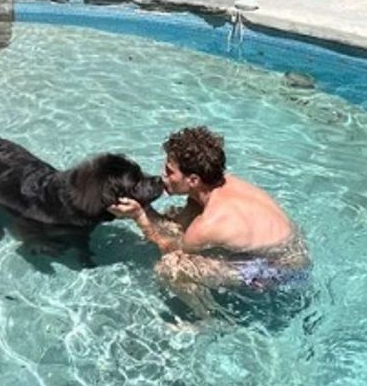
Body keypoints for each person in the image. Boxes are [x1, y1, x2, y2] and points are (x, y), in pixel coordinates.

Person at [110, 125, 309, 297]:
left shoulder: (208, 224)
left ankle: (209, 321)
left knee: (173, 267)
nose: (163, 176)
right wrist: (143, 206)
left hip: (282, 271)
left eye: (170, 172)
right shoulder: (216, 185)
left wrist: (138, 216)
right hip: (293, 248)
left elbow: (170, 247)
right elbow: (177, 227)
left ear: (193, 180)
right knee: (175, 219)